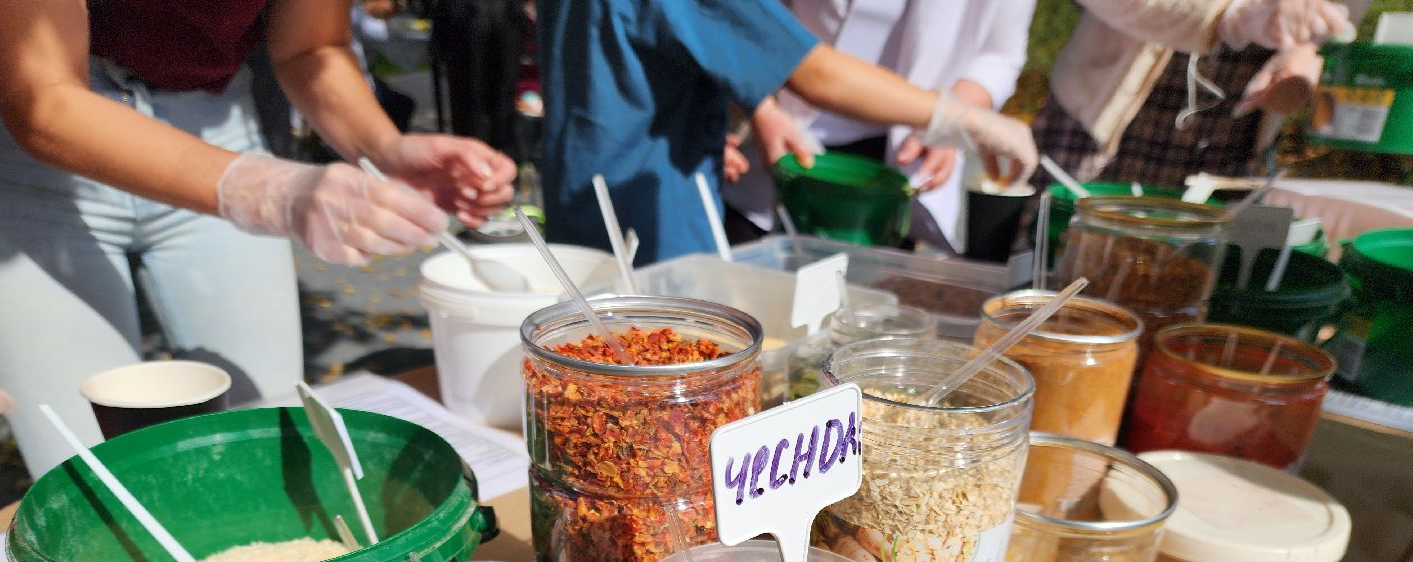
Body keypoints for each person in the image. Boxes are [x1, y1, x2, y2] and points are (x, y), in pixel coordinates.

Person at [0, 0, 516, 479]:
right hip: (42, 169)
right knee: (94, 480)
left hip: (219, 122)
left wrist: (383, 148)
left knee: (267, 452)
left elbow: (311, 45)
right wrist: (266, 190)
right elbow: (43, 98)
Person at [537, 0, 1038, 265]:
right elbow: (816, 73)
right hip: (654, 217)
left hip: (585, 189)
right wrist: (964, 119)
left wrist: (733, 113)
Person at [725, 0, 1036, 250]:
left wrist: (950, 122)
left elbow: (998, 54)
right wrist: (762, 107)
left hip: (899, 158)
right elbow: (809, 70)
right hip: (772, 142)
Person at [1034, 0, 1359, 187]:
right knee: (1058, 261)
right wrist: (1235, 14)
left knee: (1189, 272)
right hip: (1104, 112)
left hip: (1236, 127)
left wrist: (1306, 43)